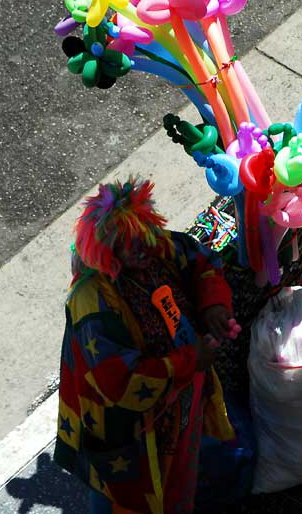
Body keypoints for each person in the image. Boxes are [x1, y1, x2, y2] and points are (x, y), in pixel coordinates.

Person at [54, 177, 237, 514]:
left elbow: (204, 262)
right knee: (126, 499)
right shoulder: (92, 301)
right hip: (131, 430)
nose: (141, 247)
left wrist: (214, 307)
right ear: (107, 247)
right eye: (127, 242)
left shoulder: (159, 249)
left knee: (181, 481)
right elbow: (117, 378)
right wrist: (189, 360)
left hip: (181, 405)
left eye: (144, 234)